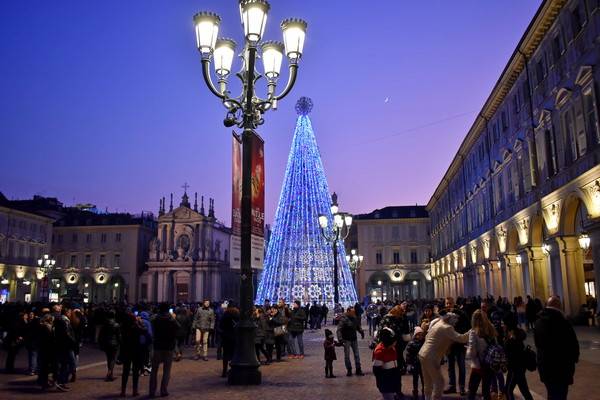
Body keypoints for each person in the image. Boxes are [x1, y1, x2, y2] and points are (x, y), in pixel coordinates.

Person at [534, 296, 579, 400]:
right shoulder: (563, 323)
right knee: (561, 395)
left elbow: (537, 344)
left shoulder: (538, 322)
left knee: (551, 393)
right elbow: (573, 345)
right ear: (558, 307)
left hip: (545, 368)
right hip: (561, 369)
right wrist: (574, 359)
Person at [418, 313, 469, 400]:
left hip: (423, 353)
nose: (456, 322)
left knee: (428, 381)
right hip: (431, 356)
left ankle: (427, 398)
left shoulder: (438, 322)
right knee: (439, 382)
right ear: (450, 319)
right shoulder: (447, 328)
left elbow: (428, 336)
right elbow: (461, 338)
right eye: (455, 320)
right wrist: (472, 331)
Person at [376, 304, 410, 397]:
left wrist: (402, 345)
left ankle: (397, 390)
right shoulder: (386, 319)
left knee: (397, 371)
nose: (400, 316)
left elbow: (405, 333)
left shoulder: (401, 319)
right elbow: (380, 334)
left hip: (397, 349)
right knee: (389, 371)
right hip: (387, 349)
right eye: (399, 314)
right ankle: (389, 391)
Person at [441, 297, 469, 396]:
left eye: (450, 303)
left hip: (459, 344)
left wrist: (456, 310)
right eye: (447, 303)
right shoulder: (443, 314)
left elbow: (466, 323)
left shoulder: (460, 313)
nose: (448, 305)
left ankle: (462, 387)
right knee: (450, 366)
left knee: (461, 366)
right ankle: (452, 385)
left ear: (454, 303)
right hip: (449, 345)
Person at [149, 303, 179, 398]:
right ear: (168, 310)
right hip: (169, 347)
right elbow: (178, 327)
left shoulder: (155, 318)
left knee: (154, 370)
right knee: (167, 370)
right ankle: (163, 390)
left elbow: (151, 324)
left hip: (157, 346)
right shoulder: (171, 319)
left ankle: (152, 391)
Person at [466, 310, 496, 400]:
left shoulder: (473, 332)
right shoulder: (491, 329)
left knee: (472, 390)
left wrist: (467, 349)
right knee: (486, 391)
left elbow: (472, 353)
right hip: (490, 364)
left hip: (478, 365)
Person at [503, 313, 533, 400]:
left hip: (515, 368)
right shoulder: (515, 334)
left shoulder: (512, 337)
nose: (502, 325)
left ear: (508, 324)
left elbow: (511, 353)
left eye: (503, 323)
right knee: (523, 390)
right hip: (517, 368)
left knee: (509, 390)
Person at [120, 311, 147, 397]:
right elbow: (145, 331)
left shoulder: (124, 327)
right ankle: (134, 390)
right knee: (135, 371)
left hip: (126, 350)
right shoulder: (136, 327)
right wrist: (139, 322)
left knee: (125, 371)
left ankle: (123, 391)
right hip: (136, 350)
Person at [372, 327, 400, 400]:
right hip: (385, 383)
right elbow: (377, 370)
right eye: (394, 341)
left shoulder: (392, 348)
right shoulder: (380, 352)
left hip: (392, 380)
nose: (395, 342)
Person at [54, 305, 77, 392]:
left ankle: (61, 382)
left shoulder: (60, 320)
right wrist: (73, 342)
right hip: (66, 346)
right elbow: (67, 334)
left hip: (62, 345)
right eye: (70, 312)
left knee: (65, 364)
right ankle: (60, 381)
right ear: (67, 313)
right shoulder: (65, 321)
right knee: (71, 364)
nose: (71, 314)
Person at [337, 306, 365, 376]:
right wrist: (340, 339)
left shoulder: (354, 317)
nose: (353, 314)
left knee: (357, 355)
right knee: (347, 355)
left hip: (354, 338)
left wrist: (361, 332)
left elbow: (357, 326)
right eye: (352, 312)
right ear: (348, 311)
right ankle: (349, 369)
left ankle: (358, 369)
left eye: (354, 312)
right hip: (346, 339)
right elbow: (339, 329)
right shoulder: (344, 318)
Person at [98, 309, 121, 382]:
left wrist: (100, 342)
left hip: (106, 343)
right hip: (114, 344)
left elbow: (101, 334)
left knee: (109, 358)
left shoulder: (105, 324)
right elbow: (119, 336)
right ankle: (110, 372)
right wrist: (121, 342)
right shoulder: (116, 324)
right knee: (113, 358)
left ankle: (110, 374)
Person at [219, 302, 240, 377]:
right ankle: (233, 370)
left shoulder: (225, 314)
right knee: (235, 354)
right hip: (235, 336)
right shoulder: (238, 314)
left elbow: (220, 325)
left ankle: (224, 372)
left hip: (226, 337)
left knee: (225, 355)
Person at [405, 326, 425, 400]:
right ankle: (415, 393)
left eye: (421, 334)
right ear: (415, 335)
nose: (420, 336)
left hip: (422, 364)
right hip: (415, 364)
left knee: (424, 380)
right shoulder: (411, 343)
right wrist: (409, 364)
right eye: (418, 334)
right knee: (415, 379)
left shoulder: (424, 342)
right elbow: (408, 355)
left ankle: (424, 393)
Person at [37, 313, 55, 390]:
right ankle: (44, 383)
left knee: (43, 367)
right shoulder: (46, 327)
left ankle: (43, 382)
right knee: (45, 367)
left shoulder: (42, 326)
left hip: (43, 350)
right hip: (47, 350)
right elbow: (48, 339)